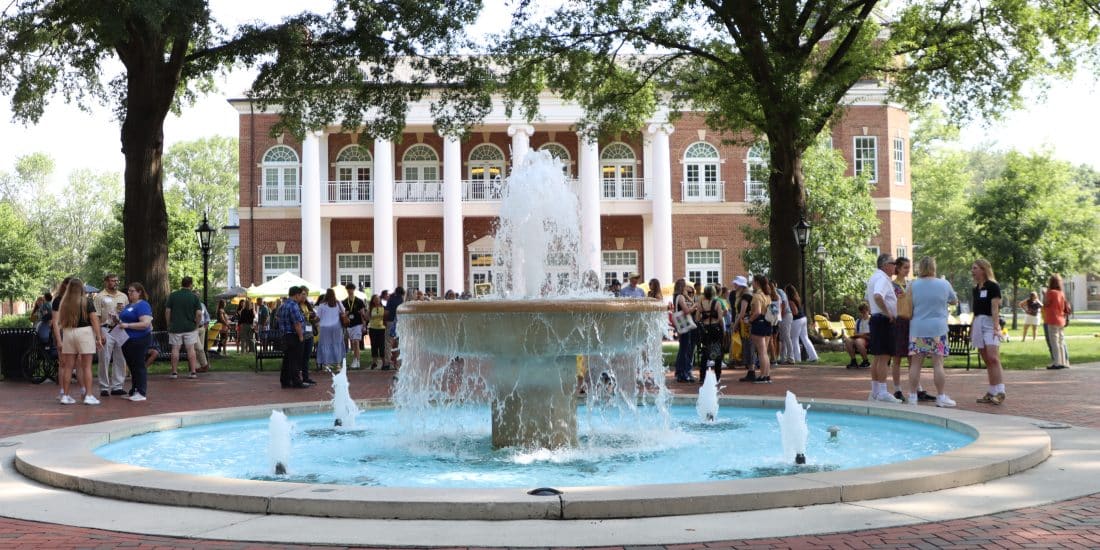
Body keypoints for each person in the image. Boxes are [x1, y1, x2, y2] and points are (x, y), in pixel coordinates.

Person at [906, 256, 959, 407]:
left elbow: (908, 304)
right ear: (934, 267)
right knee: (938, 363)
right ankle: (941, 397)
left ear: (920, 268)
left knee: (916, 364)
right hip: (938, 330)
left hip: (918, 329)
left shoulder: (912, 285)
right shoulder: (944, 284)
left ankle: (912, 396)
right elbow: (954, 300)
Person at [52, 278, 103, 405]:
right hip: (84, 332)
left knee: (68, 366)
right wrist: (98, 337)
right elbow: (94, 320)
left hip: (68, 332)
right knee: (86, 366)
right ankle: (89, 395)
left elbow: (59, 321)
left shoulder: (63, 302)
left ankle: (65, 395)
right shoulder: (86, 301)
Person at [971, 259, 1007, 405]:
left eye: (975, 268)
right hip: (978, 322)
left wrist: (996, 327)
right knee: (986, 358)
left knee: (993, 357)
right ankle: (992, 391)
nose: (972, 271)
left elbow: (995, 308)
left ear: (983, 269)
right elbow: (975, 311)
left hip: (990, 323)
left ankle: (1000, 391)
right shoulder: (976, 289)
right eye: (972, 268)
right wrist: (972, 327)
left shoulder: (993, 286)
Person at [865, 253, 900, 403]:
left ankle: (875, 392)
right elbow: (878, 296)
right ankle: (883, 392)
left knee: (878, 357)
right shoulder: (883, 279)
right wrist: (888, 313)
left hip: (876, 318)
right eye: (893, 263)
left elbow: (870, 298)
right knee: (884, 357)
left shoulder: (874, 277)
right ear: (885, 265)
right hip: (883, 319)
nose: (895, 267)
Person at [118, 282, 154, 402]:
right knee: (132, 366)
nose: (129, 293)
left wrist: (127, 325)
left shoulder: (143, 305)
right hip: (127, 340)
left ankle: (141, 391)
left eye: (132, 291)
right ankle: (134, 390)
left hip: (139, 339)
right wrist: (116, 319)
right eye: (128, 291)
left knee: (139, 365)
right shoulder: (129, 306)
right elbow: (124, 319)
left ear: (139, 292)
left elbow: (145, 323)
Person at [93, 273, 127, 397]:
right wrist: (98, 333)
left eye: (117, 280)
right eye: (112, 280)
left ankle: (117, 386)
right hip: (106, 329)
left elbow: (127, 313)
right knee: (104, 358)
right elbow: (96, 317)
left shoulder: (123, 296)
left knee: (121, 358)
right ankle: (104, 386)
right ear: (106, 282)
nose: (115, 283)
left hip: (120, 329)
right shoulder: (99, 297)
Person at [164, 276, 202, 379]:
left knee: (175, 348)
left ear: (182, 284)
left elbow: (167, 311)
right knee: (191, 349)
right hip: (190, 327)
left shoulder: (173, 295)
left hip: (175, 327)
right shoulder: (194, 297)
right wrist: (197, 325)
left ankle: (174, 372)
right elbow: (199, 313)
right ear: (190, 284)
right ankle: (193, 372)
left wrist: (168, 324)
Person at [889, 257, 913, 401]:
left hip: (910, 322)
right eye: (905, 267)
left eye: (908, 267)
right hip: (898, 322)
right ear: (897, 268)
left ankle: (915, 389)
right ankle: (897, 389)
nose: (907, 270)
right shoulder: (893, 285)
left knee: (912, 357)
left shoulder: (911, 284)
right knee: (896, 357)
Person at [277, 286, 307, 388]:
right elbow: (297, 323)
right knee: (295, 359)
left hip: (285, 336)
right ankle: (296, 381)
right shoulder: (294, 306)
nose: (300, 297)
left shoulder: (283, 305)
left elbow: (278, 317)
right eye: (300, 295)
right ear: (296, 295)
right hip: (293, 336)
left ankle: (285, 381)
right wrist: (301, 336)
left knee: (287, 359)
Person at [696, 284, 727, 382]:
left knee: (704, 353)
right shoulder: (717, 303)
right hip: (715, 329)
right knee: (717, 352)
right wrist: (723, 330)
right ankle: (717, 376)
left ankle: (702, 377)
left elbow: (697, 318)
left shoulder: (700, 303)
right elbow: (720, 318)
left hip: (705, 330)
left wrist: (703, 318)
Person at [747, 275, 775, 384]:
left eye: (753, 281)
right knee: (765, 352)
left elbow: (757, 311)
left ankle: (763, 375)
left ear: (757, 282)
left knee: (761, 352)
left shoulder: (757, 296)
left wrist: (749, 320)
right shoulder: (767, 295)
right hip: (768, 323)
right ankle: (766, 375)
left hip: (759, 323)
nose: (752, 283)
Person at [1043, 274, 1072, 370]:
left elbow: (1045, 303)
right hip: (1061, 319)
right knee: (1061, 341)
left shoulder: (1050, 292)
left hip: (1052, 319)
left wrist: (1045, 293)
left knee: (1054, 341)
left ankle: (1056, 362)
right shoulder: (1061, 293)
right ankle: (1063, 362)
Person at [314, 288, 347, 371]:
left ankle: (326, 365)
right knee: (337, 345)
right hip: (336, 327)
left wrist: (312, 321)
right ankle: (338, 365)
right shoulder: (338, 303)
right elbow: (344, 312)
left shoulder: (322, 305)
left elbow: (318, 317)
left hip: (324, 328)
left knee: (325, 345)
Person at [784, 285, 818, 364]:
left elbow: (795, 312)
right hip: (803, 318)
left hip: (797, 320)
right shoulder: (797, 298)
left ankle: (797, 358)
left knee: (794, 339)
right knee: (805, 338)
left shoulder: (790, 301)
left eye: (785, 291)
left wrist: (788, 314)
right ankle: (813, 356)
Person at [671, 278, 696, 383]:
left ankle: (680, 371)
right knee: (685, 349)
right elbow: (686, 311)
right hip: (684, 325)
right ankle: (683, 373)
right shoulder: (680, 297)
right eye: (685, 286)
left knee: (683, 348)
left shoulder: (676, 296)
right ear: (682, 286)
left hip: (681, 325)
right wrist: (694, 307)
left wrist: (687, 296)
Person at [343, 283, 367, 369]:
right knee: (352, 343)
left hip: (357, 324)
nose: (350, 291)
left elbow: (364, 314)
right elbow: (342, 315)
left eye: (351, 289)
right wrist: (345, 315)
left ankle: (357, 361)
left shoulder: (359, 301)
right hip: (349, 325)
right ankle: (355, 360)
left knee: (356, 342)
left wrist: (364, 324)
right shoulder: (344, 302)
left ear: (354, 290)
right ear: (347, 290)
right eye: (348, 289)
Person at [383, 286, 405, 370]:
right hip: (400, 323)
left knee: (388, 343)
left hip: (390, 322)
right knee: (399, 343)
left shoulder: (391, 299)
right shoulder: (402, 301)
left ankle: (387, 363)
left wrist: (384, 320)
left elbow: (386, 312)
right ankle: (398, 364)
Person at [845, 303, 872, 369]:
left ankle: (865, 361)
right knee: (848, 340)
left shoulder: (872, 319)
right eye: (861, 312)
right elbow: (855, 332)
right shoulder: (858, 321)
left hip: (868, 338)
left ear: (868, 311)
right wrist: (857, 335)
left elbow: (871, 333)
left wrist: (861, 335)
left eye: (864, 312)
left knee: (858, 341)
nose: (863, 314)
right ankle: (853, 361)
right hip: (859, 337)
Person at [367, 294, 386, 369]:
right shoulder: (371, 308)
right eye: (375, 299)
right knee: (374, 345)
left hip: (382, 329)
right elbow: (367, 317)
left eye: (378, 299)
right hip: (373, 329)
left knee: (381, 346)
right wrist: (363, 314)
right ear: (373, 301)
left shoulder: (383, 308)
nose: (377, 300)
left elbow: (386, 317)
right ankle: (374, 362)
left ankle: (384, 363)